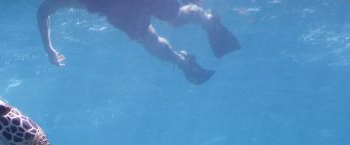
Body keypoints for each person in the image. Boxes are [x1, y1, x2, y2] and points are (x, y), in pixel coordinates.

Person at [37, 0, 241, 84]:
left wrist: (49, 49)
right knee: (151, 38)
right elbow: (43, 11)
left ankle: (208, 21)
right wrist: (48, 49)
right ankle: (183, 62)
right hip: (118, 11)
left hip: (121, 10)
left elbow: (43, 11)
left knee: (175, 19)